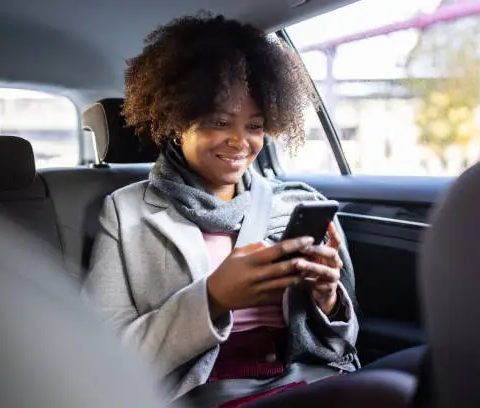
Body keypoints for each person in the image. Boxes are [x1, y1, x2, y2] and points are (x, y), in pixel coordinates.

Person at [82, 13, 359, 407]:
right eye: (218, 121)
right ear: (178, 120)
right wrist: (212, 298)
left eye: (255, 125)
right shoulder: (126, 212)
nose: (239, 142)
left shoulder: (295, 203)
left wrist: (327, 298)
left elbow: (343, 343)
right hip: (201, 393)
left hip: (303, 379)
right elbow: (104, 357)